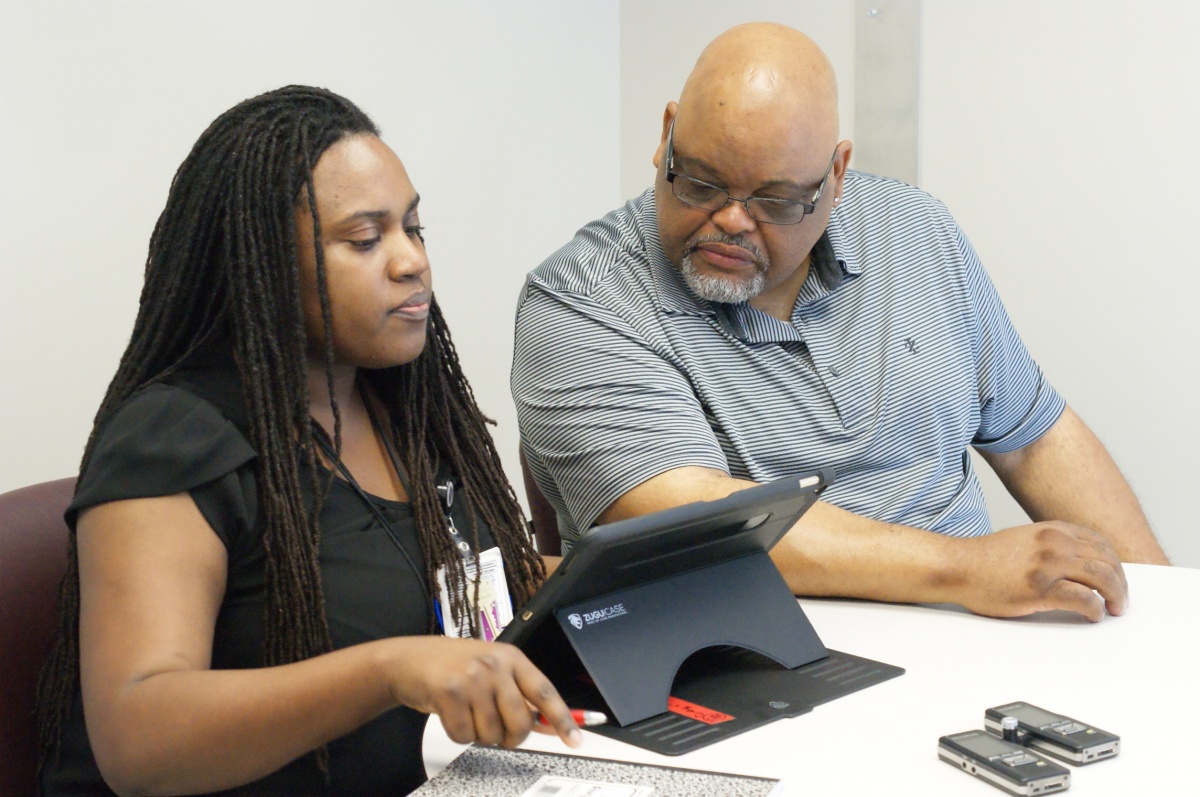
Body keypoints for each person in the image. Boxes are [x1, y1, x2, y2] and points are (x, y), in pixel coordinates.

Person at [511, 23, 1169, 625]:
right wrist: (968, 567)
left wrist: (1166, 613)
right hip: (765, 652)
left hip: (985, 627)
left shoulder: (915, 230)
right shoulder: (580, 301)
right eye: (702, 183)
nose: (732, 220)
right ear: (666, 137)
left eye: (775, 199)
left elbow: (1035, 438)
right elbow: (696, 530)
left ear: (836, 174)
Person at [36, 85, 581, 797]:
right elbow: (138, 738)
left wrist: (625, 574)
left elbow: (465, 579)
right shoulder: (173, 439)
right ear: (259, 266)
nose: (410, 260)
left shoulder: (402, 406)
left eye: (413, 229)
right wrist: (388, 669)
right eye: (365, 238)